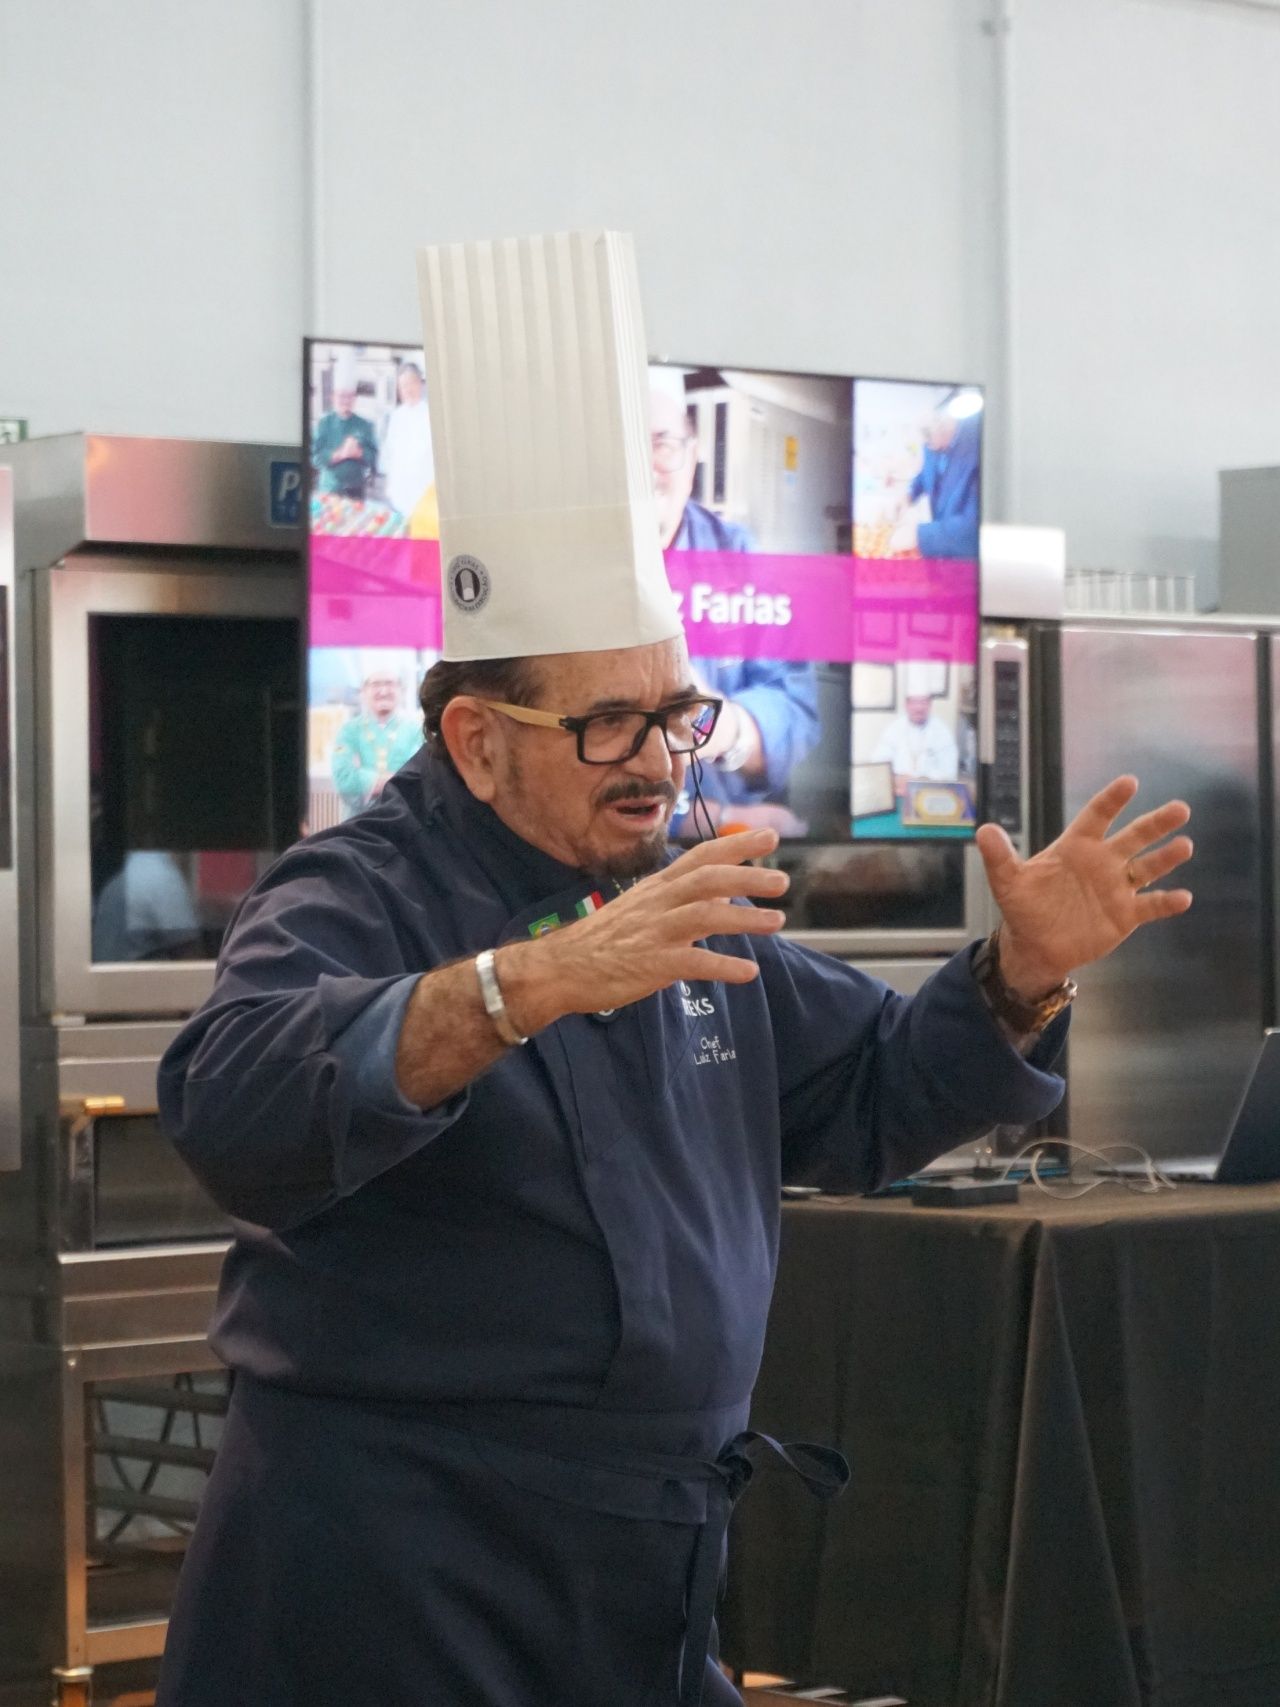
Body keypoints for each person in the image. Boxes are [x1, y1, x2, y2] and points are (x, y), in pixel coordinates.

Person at [155, 231, 1194, 1707]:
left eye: (677, 714)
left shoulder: (674, 889)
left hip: (638, 1565)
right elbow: (229, 1099)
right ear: (476, 736)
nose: (657, 758)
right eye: (610, 724)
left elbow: (868, 1092)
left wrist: (1020, 975)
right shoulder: (358, 888)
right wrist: (527, 983)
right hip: (398, 1567)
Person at [650, 382, 819, 824]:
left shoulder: (739, 555)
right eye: (624, 449)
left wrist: (721, 727)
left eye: (662, 444)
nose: (643, 467)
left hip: (716, 853)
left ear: (693, 454)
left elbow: (796, 709)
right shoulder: (564, 566)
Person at [889, 405, 981, 560]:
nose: (927, 447)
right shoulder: (931, 445)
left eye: (929, 442)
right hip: (943, 543)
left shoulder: (978, 448)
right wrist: (910, 494)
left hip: (964, 553)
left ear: (946, 428)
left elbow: (973, 527)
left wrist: (920, 535)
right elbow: (926, 473)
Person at [330, 666, 423, 817]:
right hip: (357, 822)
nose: (383, 691)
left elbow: (418, 778)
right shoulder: (348, 731)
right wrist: (396, 782)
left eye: (390, 684)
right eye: (376, 684)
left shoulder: (417, 731)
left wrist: (366, 777)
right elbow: (345, 779)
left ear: (401, 690)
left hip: (404, 820)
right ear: (364, 691)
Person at [872, 667, 960, 798]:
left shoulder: (942, 732)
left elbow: (950, 773)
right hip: (899, 794)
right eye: (914, 702)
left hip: (931, 794)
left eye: (923, 702)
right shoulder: (893, 729)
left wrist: (920, 780)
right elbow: (878, 765)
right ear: (906, 704)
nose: (919, 708)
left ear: (930, 705)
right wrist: (897, 779)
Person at [311, 351, 379, 499]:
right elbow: (315, 457)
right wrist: (340, 454)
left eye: (349, 396)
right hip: (329, 491)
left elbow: (374, 458)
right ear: (333, 396)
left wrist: (359, 453)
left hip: (356, 491)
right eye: (341, 395)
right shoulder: (324, 423)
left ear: (355, 398)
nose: (345, 400)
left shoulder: (365, 425)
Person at [379, 355, 435, 523]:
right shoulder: (396, 416)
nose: (408, 390)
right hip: (399, 493)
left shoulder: (431, 414)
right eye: (403, 386)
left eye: (411, 383)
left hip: (425, 493)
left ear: (420, 384)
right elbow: (389, 453)